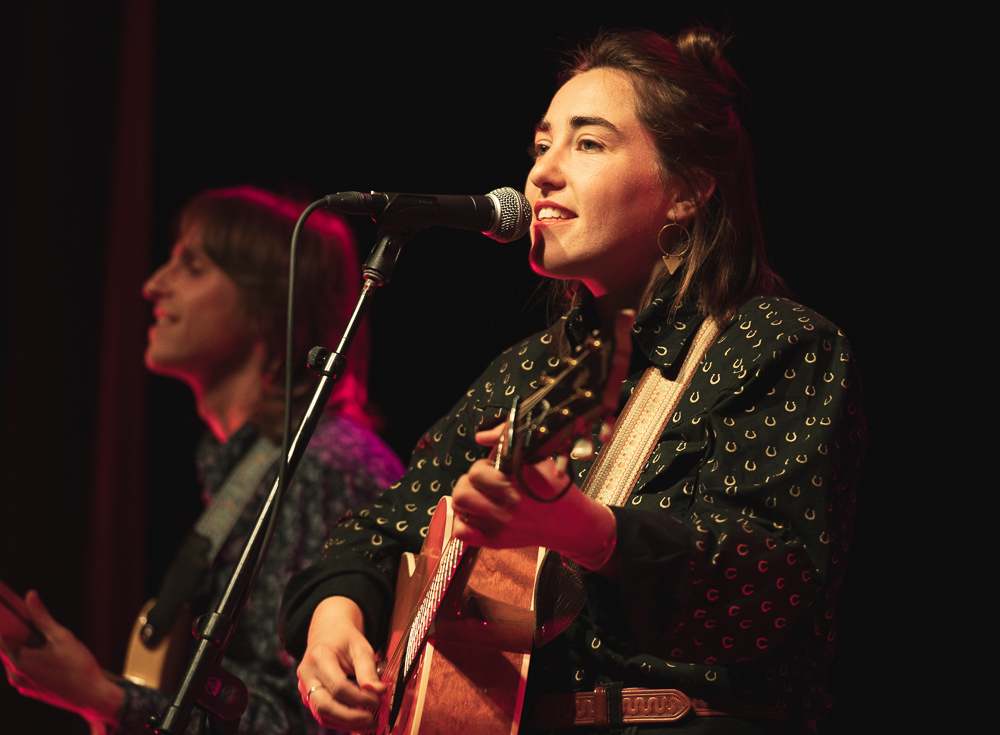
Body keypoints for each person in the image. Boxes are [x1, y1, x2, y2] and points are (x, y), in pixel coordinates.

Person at [279, 28, 865, 735]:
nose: (541, 175)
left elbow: (771, 585)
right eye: (541, 145)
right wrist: (332, 616)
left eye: (587, 143)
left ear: (687, 190)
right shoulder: (526, 371)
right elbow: (375, 530)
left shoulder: (777, 342)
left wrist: (581, 529)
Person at [0, 186, 405, 734]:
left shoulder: (326, 466)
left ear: (268, 307)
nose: (152, 285)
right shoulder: (247, 470)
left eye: (191, 267)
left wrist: (106, 697)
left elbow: (306, 721)